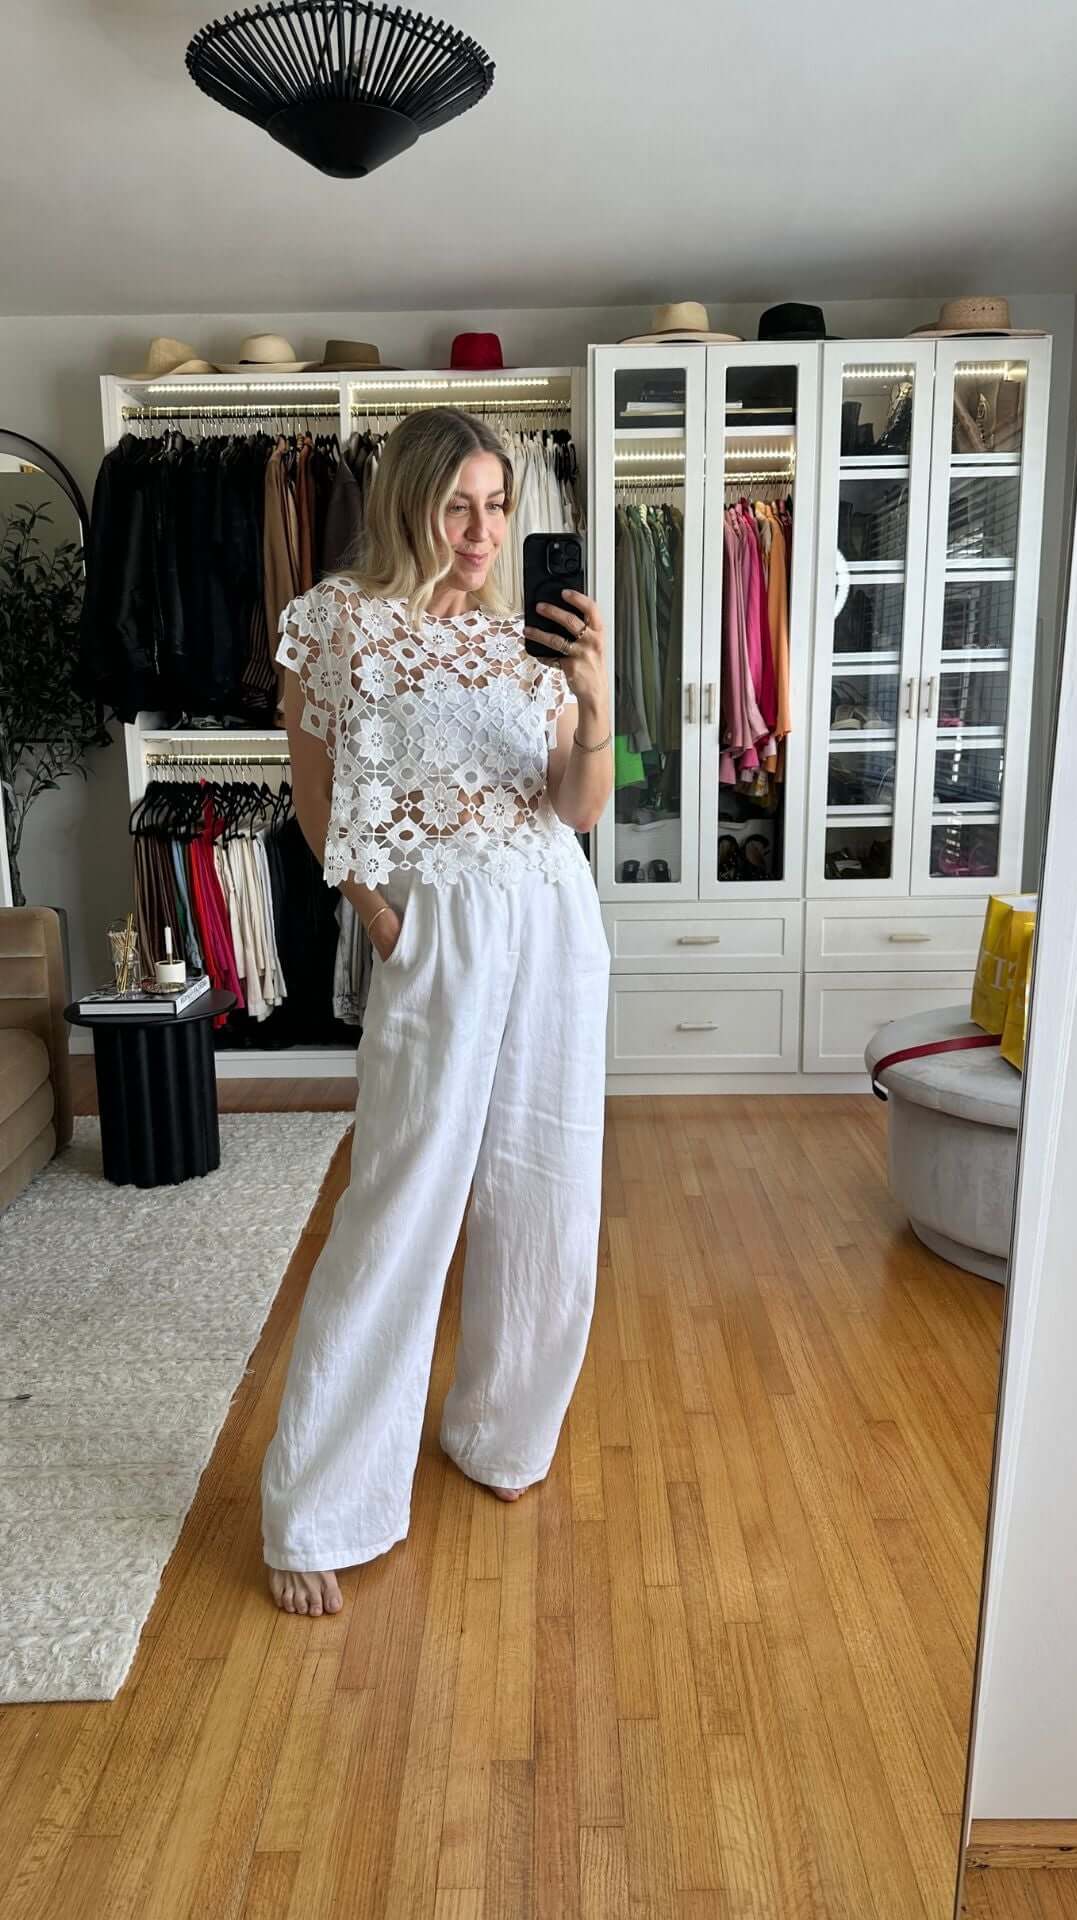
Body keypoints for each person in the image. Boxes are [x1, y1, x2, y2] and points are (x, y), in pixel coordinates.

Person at [262, 406, 613, 1616]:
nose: (481, 530)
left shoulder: (532, 640)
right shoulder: (338, 623)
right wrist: (375, 912)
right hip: (438, 928)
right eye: (458, 504)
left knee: (547, 1184)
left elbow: (576, 807)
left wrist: (598, 707)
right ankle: (317, 1506)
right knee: (404, 1196)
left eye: (498, 505)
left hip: (554, 922)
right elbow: (313, 800)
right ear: (410, 502)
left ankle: (500, 1433)